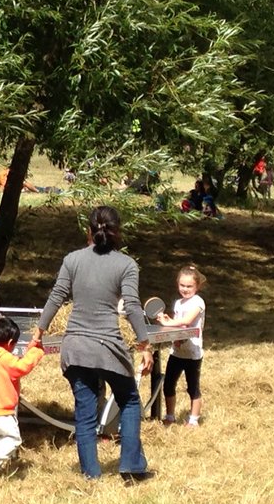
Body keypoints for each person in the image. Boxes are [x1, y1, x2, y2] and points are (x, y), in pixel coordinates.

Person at [31, 205, 155, 484]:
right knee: (130, 401)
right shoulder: (126, 264)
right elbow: (133, 306)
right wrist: (144, 344)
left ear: (89, 230)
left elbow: (56, 296)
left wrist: (39, 331)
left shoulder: (73, 259)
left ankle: (90, 474)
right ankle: (131, 467)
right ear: (117, 232)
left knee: (85, 412)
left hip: (75, 347)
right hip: (108, 346)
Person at [0, 316, 45, 479]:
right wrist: (36, 352)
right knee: (12, 440)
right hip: (2, 412)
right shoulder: (5, 358)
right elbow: (22, 367)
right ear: (11, 342)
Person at [155, 264, 208, 426]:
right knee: (168, 385)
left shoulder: (198, 302)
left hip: (192, 354)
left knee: (192, 388)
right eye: (182, 285)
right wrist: (166, 321)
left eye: (189, 286)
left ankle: (193, 420)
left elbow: (186, 321)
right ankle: (170, 416)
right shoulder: (178, 303)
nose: (185, 289)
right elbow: (178, 325)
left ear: (197, 286)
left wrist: (169, 322)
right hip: (177, 352)